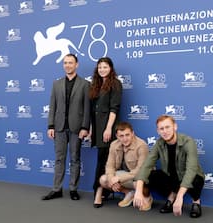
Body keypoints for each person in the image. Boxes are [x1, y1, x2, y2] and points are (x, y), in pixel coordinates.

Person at [133, 115, 205, 218]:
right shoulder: (159, 143)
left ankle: (196, 201)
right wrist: (138, 191)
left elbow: (191, 169)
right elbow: (146, 166)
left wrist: (180, 197)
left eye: (167, 127)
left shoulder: (188, 141)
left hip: (189, 176)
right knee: (151, 175)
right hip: (172, 177)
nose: (165, 131)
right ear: (158, 131)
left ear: (175, 127)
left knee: (196, 179)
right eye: (161, 128)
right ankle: (172, 196)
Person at [42, 53, 90, 201]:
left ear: (77, 65)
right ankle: (56, 189)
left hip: (77, 128)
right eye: (65, 63)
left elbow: (87, 108)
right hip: (59, 128)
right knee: (59, 159)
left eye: (70, 63)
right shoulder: (56, 84)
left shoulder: (85, 84)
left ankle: (73, 189)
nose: (67, 65)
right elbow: (53, 106)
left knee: (75, 159)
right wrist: (51, 125)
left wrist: (85, 127)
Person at [89, 57, 122, 206]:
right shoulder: (95, 85)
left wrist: (108, 128)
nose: (102, 69)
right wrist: (91, 129)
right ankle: (105, 191)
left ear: (111, 68)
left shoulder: (115, 84)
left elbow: (114, 108)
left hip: (107, 126)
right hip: (96, 127)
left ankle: (99, 191)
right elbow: (92, 110)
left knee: (104, 160)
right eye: (100, 67)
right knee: (102, 159)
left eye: (105, 67)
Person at [93, 121, 149, 208]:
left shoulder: (142, 145)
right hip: (124, 175)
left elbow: (140, 171)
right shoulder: (114, 145)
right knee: (104, 179)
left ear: (132, 133)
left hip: (141, 177)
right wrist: (112, 179)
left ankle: (147, 196)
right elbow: (110, 165)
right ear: (117, 136)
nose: (125, 139)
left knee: (137, 183)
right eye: (121, 136)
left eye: (127, 135)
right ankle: (128, 193)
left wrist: (118, 178)